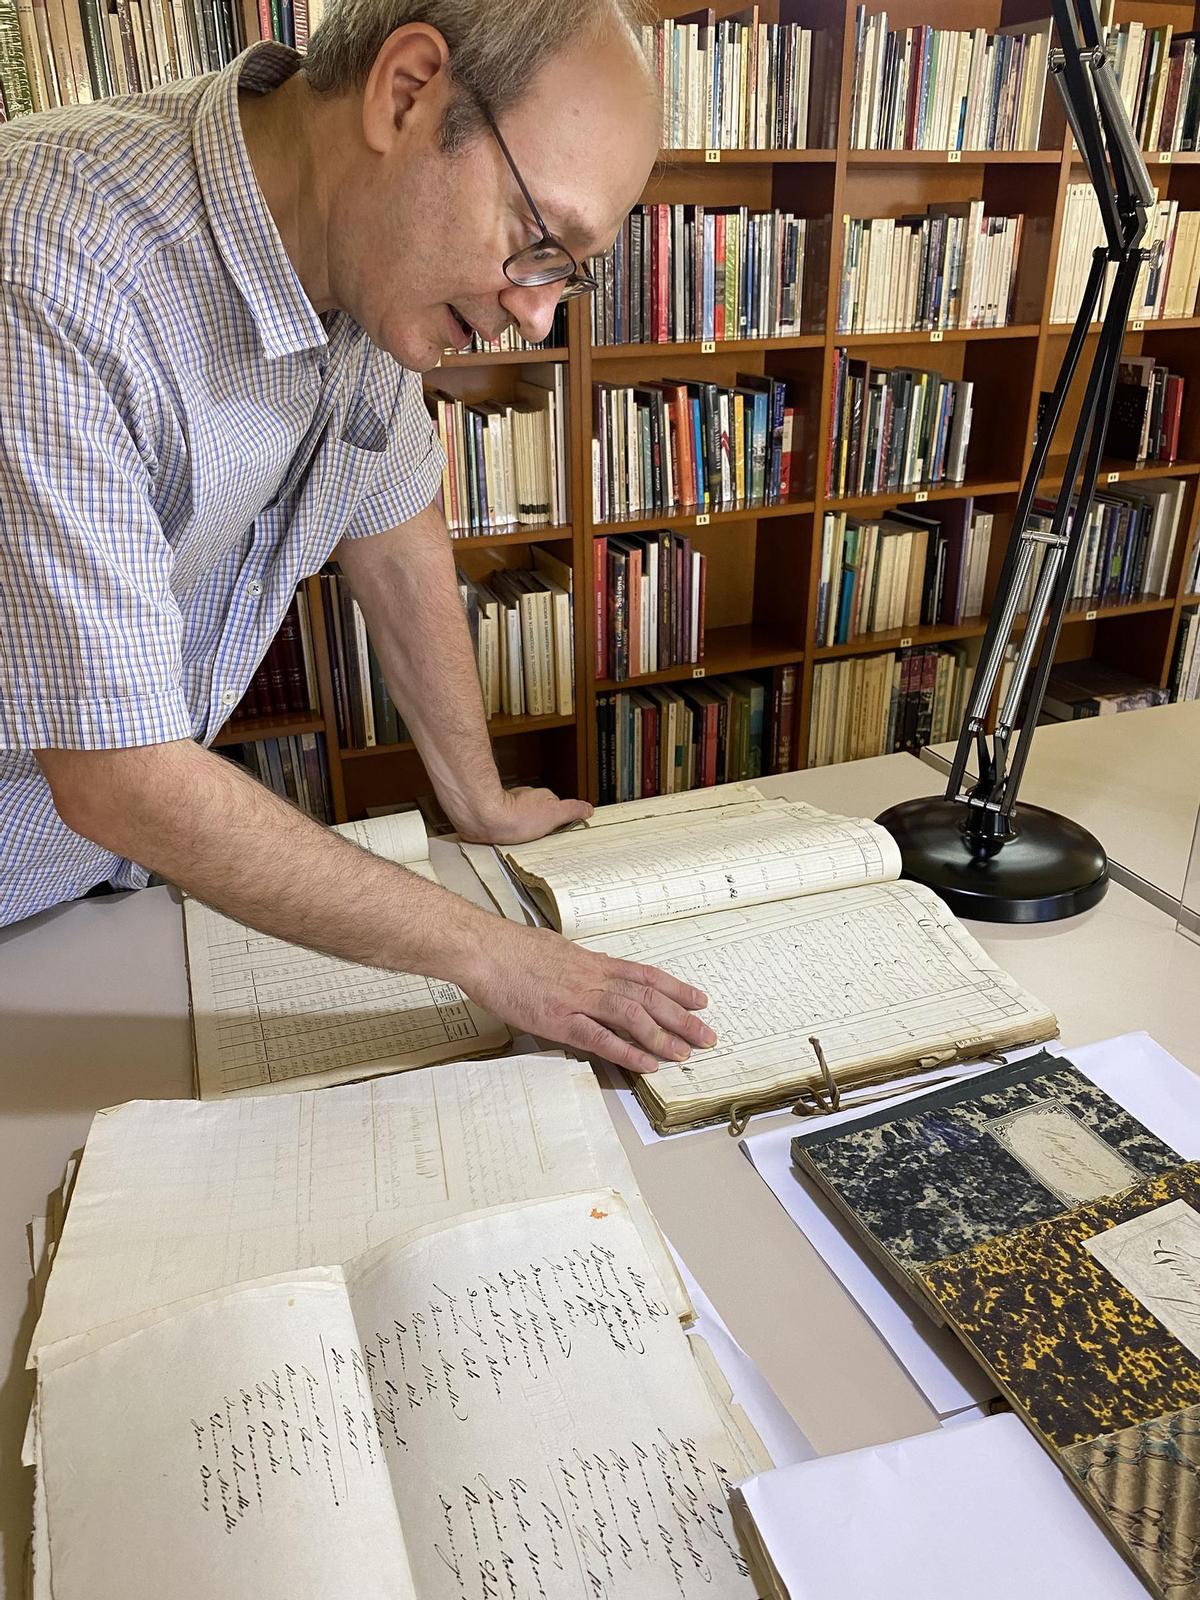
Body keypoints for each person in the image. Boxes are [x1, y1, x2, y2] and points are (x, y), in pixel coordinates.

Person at [0, 0, 717, 1074]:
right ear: (407, 91)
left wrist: (478, 798)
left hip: (92, 893)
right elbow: (118, 771)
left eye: (571, 268)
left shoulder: (365, 254)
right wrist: (497, 957)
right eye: (538, 241)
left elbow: (392, 519)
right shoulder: (48, 263)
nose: (537, 317)